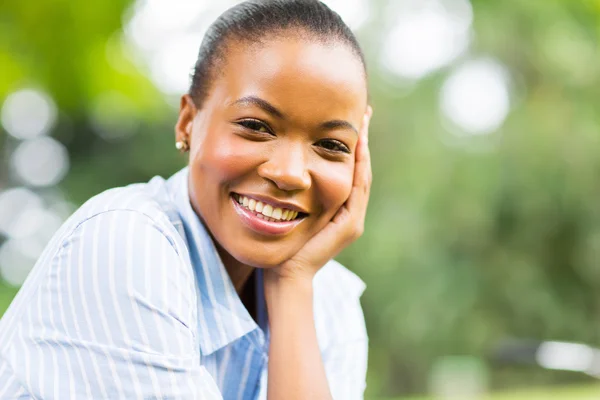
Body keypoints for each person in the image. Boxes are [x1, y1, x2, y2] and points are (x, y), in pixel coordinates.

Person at [0, 0, 373, 398]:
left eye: (331, 144)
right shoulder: (123, 247)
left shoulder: (330, 300)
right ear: (187, 122)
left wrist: (292, 285)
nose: (289, 173)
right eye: (255, 126)